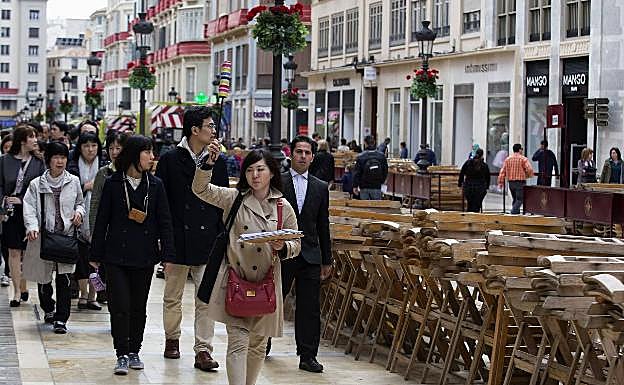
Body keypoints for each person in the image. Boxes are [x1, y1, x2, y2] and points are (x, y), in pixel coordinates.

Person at [194, 147, 301, 385]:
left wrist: (282, 248)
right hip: (236, 283)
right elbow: (200, 189)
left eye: (260, 169)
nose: (255, 175)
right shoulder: (234, 198)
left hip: (267, 286)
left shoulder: (283, 207)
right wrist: (207, 165)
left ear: (272, 173)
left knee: (258, 345)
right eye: (250, 170)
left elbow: (296, 243)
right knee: (237, 343)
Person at [90, 135, 174, 375]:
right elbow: (102, 220)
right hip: (115, 255)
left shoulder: (155, 185)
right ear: (135, 154)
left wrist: (167, 254)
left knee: (139, 305)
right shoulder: (113, 183)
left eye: (152, 152)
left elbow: (165, 222)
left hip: (145, 255)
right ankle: (121, 353)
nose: (152, 157)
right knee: (120, 305)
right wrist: (95, 254)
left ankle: (135, 349)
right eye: (147, 152)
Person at [155, 105, 228, 371]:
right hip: (176, 237)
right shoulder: (170, 159)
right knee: (172, 295)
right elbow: (160, 203)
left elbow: (222, 200)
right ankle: (172, 339)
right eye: (209, 126)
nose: (213, 131)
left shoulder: (218, 160)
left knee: (205, 297)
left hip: (207, 238)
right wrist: (163, 240)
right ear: (194, 130)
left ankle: (203, 350)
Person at [277, 135, 332, 373]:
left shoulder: (320, 187)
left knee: (309, 307)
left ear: (312, 156)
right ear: (291, 154)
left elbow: (323, 224)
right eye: (298, 152)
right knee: (275, 300)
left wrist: (326, 259)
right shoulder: (278, 181)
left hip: (310, 254)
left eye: (307, 153)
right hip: (283, 252)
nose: (302, 156)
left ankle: (308, 355)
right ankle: (263, 341)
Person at [22, 142, 85, 334]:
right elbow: (29, 207)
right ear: (48, 159)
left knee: (65, 278)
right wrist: (32, 226)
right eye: (56, 157)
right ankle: (48, 309)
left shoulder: (73, 181)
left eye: (63, 157)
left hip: (66, 237)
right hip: (44, 237)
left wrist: (79, 213)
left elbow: (80, 203)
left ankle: (61, 318)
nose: (60, 161)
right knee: (44, 278)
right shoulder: (36, 184)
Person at [0, 125, 46, 307]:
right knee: (13, 250)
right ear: (22, 141)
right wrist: (4, 203)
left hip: (30, 212)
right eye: (31, 137)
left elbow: (41, 188)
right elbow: (1, 186)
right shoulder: (4, 161)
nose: (35, 140)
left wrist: (22, 200)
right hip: (10, 212)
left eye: (35, 136)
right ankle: (17, 291)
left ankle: (24, 284)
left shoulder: (39, 162)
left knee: (27, 252)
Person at [89, 131, 130, 305]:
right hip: (108, 231)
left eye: (118, 148)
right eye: (111, 148)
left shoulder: (133, 172)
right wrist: (93, 231)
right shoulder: (103, 173)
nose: (114, 152)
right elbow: (95, 203)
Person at [67, 132, 106, 311]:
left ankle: (93, 295)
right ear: (80, 148)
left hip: (100, 219)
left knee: (96, 259)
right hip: (78, 220)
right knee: (81, 260)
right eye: (86, 146)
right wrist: (85, 187)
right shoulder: (73, 167)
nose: (90, 149)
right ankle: (83, 294)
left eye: (93, 145)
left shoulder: (105, 167)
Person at [497, 143, 533, 215]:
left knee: (515, 199)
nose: (522, 150)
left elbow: (502, 171)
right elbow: (529, 169)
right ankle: (513, 213)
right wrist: (528, 176)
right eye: (521, 149)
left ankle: (516, 215)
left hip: (511, 183)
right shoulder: (523, 159)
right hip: (520, 182)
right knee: (520, 199)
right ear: (519, 150)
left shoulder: (508, 159)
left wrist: (500, 182)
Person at [353, 135, 388, 200]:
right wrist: (381, 182)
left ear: (365, 143)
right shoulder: (381, 156)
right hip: (377, 186)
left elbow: (357, 173)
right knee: (376, 207)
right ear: (374, 142)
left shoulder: (361, 156)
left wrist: (355, 186)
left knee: (365, 207)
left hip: (364, 186)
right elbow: (385, 171)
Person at [458, 148, 490, 213]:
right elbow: (488, 177)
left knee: (470, 205)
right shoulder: (484, 165)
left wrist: (460, 184)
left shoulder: (468, 163)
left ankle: (469, 219)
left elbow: (462, 173)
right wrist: (487, 187)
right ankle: (475, 218)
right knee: (477, 206)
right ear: (482, 155)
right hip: (480, 188)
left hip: (468, 187)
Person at [0, 133, 13, 287]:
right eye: (5, 148)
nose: (8, 150)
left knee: (8, 245)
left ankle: (8, 272)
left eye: (11, 148)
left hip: (12, 212)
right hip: (2, 208)